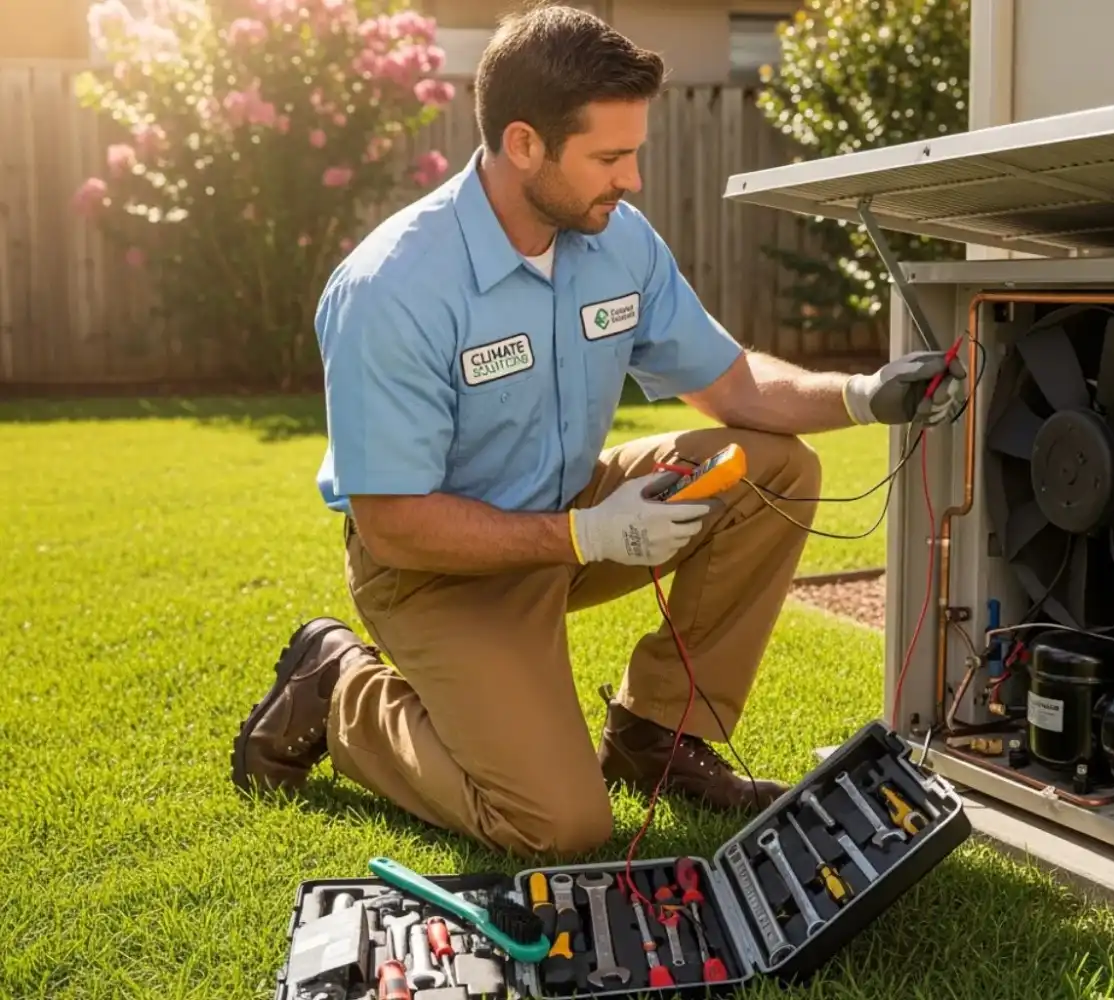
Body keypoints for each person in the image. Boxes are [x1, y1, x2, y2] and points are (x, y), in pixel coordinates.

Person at [230, 2, 965, 857]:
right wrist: (586, 533)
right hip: (435, 570)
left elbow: (731, 383)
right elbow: (394, 524)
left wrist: (865, 394)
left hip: (574, 510)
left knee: (771, 468)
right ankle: (343, 690)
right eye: (610, 157)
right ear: (523, 144)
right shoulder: (394, 288)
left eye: (634, 153)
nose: (633, 180)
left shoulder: (616, 240)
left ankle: (655, 735)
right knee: (561, 827)